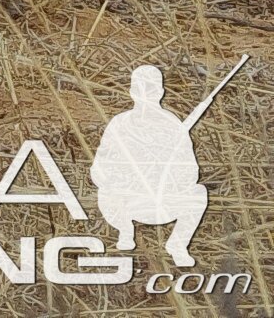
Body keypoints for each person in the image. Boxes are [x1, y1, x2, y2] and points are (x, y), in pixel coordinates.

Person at [91, 62, 212, 268]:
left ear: (160, 92)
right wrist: (120, 179)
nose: (146, 95)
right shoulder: (119, 124)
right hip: (127, 203)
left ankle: (177, 245)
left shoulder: (173, 125)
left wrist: (167, 176)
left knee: (198, 193)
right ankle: (125, 231)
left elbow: (191, 171)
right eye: (140, 88)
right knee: (105, 192)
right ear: (131, 92)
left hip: (163, 203)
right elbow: (98, 168)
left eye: (151, 89)